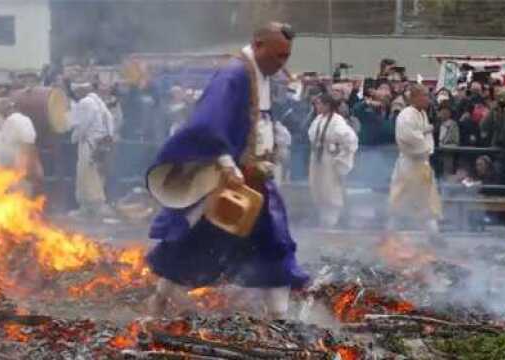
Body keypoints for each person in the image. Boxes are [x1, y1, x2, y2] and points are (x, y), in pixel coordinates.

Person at [145, 22, 309, 319]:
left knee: (275, 241)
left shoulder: (263, 74)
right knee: (193, 243)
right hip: (231, 180)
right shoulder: (234, 74)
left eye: (286, 56)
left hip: (257, 181)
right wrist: (227, 164)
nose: (282, 63)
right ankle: (159, 299)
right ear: (258, 45)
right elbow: (209, 121)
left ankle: (280, 317)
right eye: (277, 56)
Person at [388, 84, 444, 246]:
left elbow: (422, 132)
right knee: (401, 199)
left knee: (427, 200)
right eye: (424, 96)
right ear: (414, 97)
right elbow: (408, 137)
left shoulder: (422, 114)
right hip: (410, 162)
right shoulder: (406, 115)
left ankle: (433, 234)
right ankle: (390, 232)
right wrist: (425, 136)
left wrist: (427, 130)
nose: (428, 99)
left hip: (422, 163)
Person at [307, 93, 358, 227]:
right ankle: (323, 219)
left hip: (329, 160)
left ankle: (331, 220)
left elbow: (350, 139)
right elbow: (311, 135)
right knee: (318, 188)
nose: (316, 106)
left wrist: (340, 157)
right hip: (318, 158)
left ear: (327, 105)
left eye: (319, 104)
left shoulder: (337, 121)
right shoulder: (318, 119)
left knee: (331, 189)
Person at [69, 82, 116, 218]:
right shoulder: (99, 102)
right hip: (101, 143)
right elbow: (110, 121)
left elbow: (82, 125)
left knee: (86, 173)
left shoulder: (85, 103)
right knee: (97, 173)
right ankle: (94, 205)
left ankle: (88, 206)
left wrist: (74, 137)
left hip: (89, 142)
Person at [0, 99, 43, 196]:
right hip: (18, 164)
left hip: (18, 165)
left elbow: (27, 143)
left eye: (1, 112)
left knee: (18, 194)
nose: (1, 116)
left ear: (7, 110)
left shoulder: (15, 120)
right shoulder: (21, 119)